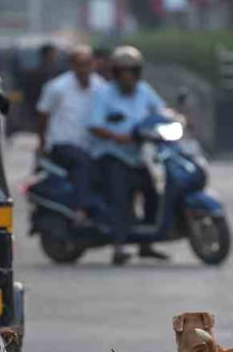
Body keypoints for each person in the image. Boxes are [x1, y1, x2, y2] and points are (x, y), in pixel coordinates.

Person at [88, 45, 170, 266]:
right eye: (123, 71)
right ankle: (119, 245)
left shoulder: (145, 91)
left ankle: (146, 244)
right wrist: (116, 136)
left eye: (132, 70)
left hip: (139, 154)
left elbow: (161, 111)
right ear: (115, 72)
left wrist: (176, 118)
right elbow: (94, 125)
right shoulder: (104, 93)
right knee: (121, 196)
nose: (128, 76)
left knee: (153, 192)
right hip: (112, 154)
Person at [37, 44, 106, 220]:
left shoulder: (100, 86)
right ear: (72, 65)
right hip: (63, 144)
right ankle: (82, 209)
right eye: (79, 64)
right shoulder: (57, 88)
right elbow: (43, 114)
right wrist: (43, 142)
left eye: (87, 63)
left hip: (93, 144)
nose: (84, 68)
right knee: (82, 163)